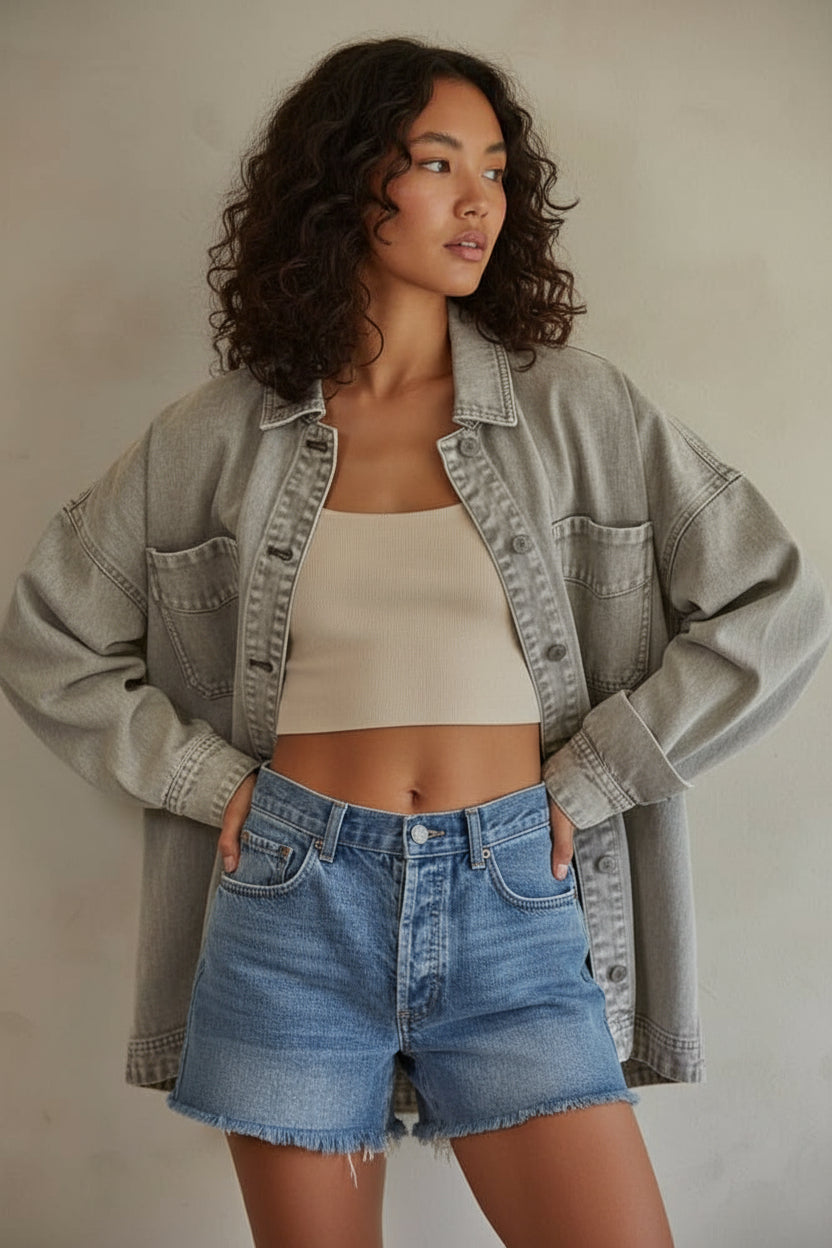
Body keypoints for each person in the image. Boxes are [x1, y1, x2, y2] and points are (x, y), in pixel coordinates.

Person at [0, 35, 829, 1248]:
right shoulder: (215, 436)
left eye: (494, 167)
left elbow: (774, 601)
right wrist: (200, 781)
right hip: (287, 903)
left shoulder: (577, 408)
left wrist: (598, 775)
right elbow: (47, 635)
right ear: (344, 186)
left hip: (514, 891)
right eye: (437, 161)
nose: (478, 196)